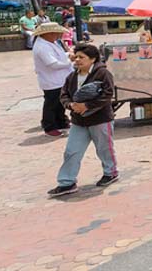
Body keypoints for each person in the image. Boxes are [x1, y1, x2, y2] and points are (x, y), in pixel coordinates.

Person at [48, 44, 118, 197]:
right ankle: (67, 182)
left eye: (82, 57)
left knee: (104, 148)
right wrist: (71, 105)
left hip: (100, 119)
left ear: (92, 59)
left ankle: (110, 172)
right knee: (71, 151)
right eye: (76, 57)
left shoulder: (102, 73)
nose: (77, 60)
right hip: (79, 121)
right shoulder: (72, 76)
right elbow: (64, 94)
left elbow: (107, 94)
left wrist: (87, 106)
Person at [32, 22, 73, 137]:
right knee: (52, 104)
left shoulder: (51, 43)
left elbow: (58, 56)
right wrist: (70, 62)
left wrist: (67, 55)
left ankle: (61, 122)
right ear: (48, 34)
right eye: (56, 33)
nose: (58, 35)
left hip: (59, 79)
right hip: (52, 80)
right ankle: (49, 126)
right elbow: (52, 64)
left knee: (60, 103)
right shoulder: (42, 47)